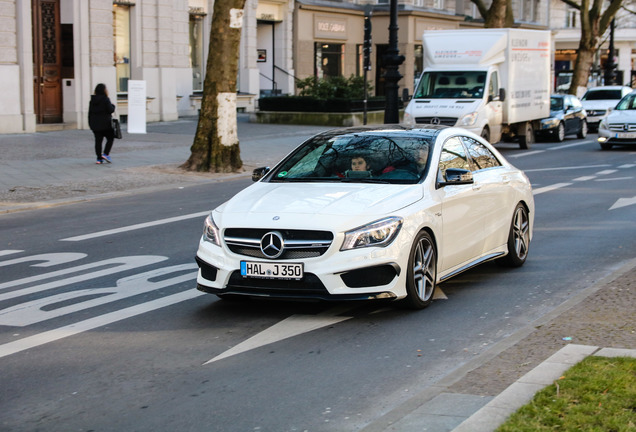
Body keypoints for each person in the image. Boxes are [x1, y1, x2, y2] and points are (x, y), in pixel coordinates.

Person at [88, 83, 115, 164]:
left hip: (95, 124)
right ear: (104, 90)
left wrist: (90, 123)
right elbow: (110, 110)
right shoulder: (106, 99)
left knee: (98, 141)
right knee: (110, 138)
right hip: (106, 124)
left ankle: (99, 158)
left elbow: (90, 113)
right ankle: (106, 154)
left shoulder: (92, 100)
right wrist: (113, 106)